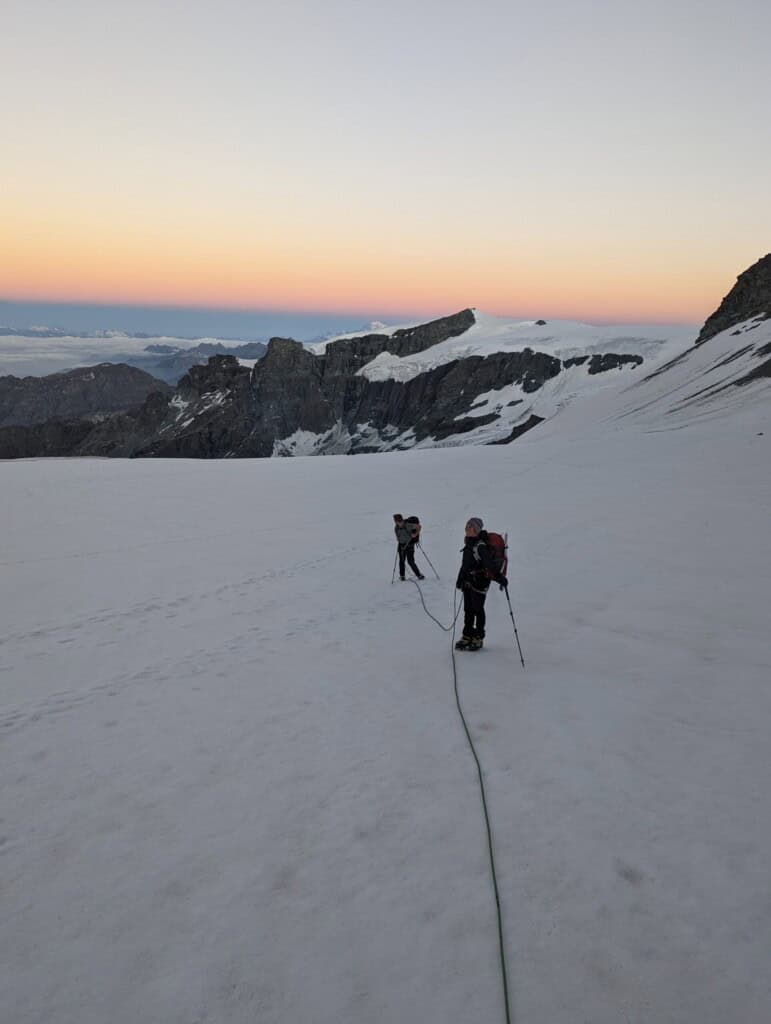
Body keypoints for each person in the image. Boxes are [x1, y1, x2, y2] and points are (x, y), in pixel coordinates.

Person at [455, 517, 506, 650]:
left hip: (479, 583)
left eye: (470, 526)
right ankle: (467, 635)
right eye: (467, 525)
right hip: (468, 582)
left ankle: (478, 637)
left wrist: (500, 578)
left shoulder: (480, 546)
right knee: (468, 610)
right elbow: (464, 565)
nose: (467, 527)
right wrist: (460, 579)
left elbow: (489, 565)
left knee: (478, 610)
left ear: (476, 529)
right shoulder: (469, 543)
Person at [393, 514, 424, 581]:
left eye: (397, 520)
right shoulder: (396, 527)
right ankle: (402, 576)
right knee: (401, 561)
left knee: (410, 561)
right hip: (401, 546)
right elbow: (397, 537)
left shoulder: (408, 525)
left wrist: (415, 534)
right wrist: (399, 539)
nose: (397, 522)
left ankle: (419, 575)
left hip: (409, 545)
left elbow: (419, 527)